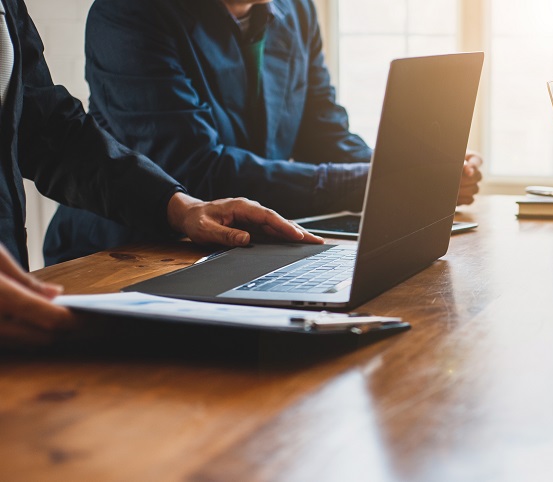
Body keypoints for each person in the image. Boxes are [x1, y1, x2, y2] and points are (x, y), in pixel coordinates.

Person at [43, 0, 484, 265]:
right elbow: (199, 172)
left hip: (243, 252)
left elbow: (325, 133)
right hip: (124, 256)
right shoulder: (130, 13)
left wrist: (413, 170)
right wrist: (381, 182)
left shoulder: (295, 10)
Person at [0, 0, 322, 347]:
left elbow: (49, 130)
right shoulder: (130, 13)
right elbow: (198, 162)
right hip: (105, 255)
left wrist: (179, 207)